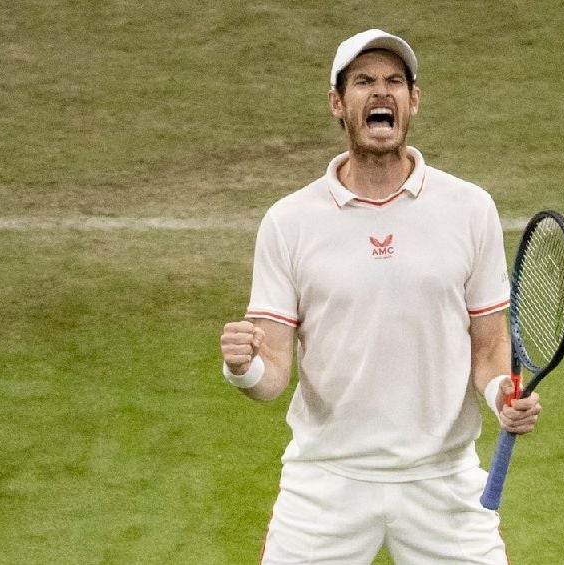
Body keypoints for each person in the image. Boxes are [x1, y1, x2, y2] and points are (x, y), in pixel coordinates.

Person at [219, 28, 542, 564]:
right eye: (364, 81)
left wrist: (501, 397)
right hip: (326, 481)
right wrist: (243, 368)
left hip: (443, 480)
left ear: (413, 101)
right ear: (337, 104)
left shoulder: (470, 208)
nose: (381, 92)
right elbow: (272, 373)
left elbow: (488, 348)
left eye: (395, 81)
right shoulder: (288, 222)